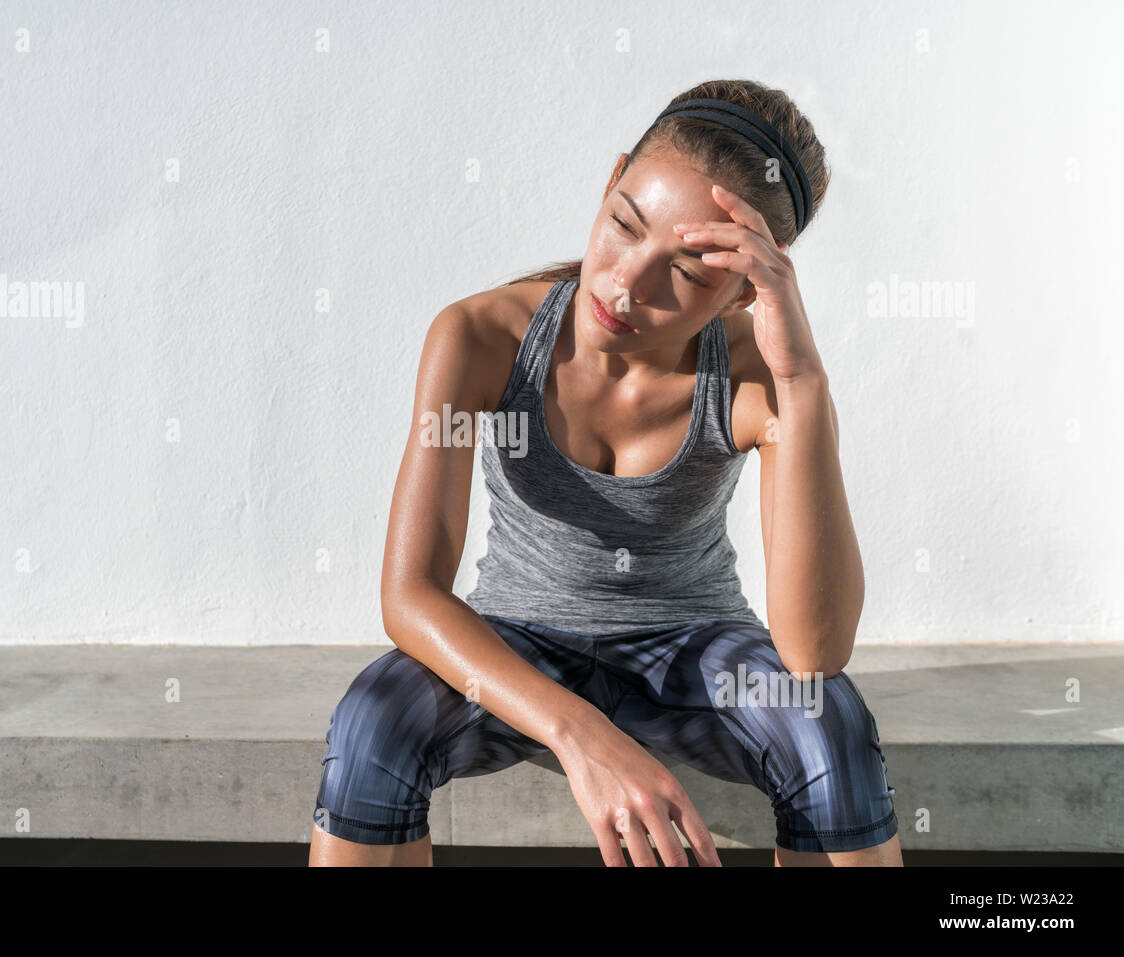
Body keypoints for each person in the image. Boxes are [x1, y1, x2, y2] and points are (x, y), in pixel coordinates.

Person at [309, 78, 902, 867]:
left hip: (692, 652)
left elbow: (813, 651)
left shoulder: (761, 377)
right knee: (370, 722)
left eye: (689, 274)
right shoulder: (480, 335)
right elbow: (409, 596)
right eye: (624, 225)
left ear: (742, 284)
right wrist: (582, 734)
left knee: (828, 723)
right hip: (518, 644)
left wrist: (801, 385)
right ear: (611, 177)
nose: (625, 284)